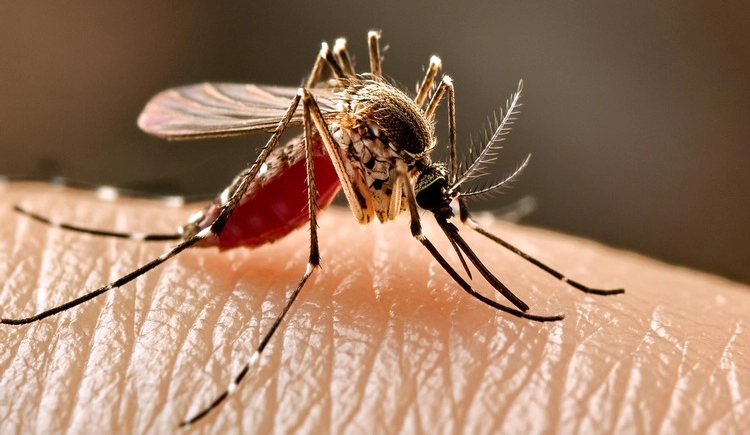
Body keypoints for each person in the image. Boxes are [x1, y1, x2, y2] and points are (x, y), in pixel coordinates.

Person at [1, 182, 748, 432]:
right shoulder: (394, 181)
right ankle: (187, 239)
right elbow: (422, 222)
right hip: (297, 170)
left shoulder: (412, 159)